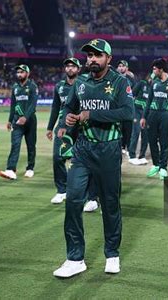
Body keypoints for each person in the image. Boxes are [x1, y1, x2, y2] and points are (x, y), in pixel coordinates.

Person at [53, 39, 134, 278]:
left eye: (97, 55)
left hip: (108, 150)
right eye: (89, 55)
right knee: (74, 200)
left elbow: (128, 112)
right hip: (83, 150)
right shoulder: (79, 82)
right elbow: (68, 107)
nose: (92, 59)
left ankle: (112, 254)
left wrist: (91, 114)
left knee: (110, 204)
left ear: (108, 59)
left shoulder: (120, 82)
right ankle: (75, 258)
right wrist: (67, 119)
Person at [46, 58, 99, 212]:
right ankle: (62, 190)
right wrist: (51, 127)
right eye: (67, 66)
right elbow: (56, 108)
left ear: (79, 68)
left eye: (73, 66)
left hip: (82, 126)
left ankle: (92, 197)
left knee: (87, 161)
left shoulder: (86, 83)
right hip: (64, 127)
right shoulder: (59, 87)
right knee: (58, 158)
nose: (69, 69)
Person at [140, 58, 168, 180]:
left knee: (164, 142)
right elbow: (148, 101)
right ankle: (156, 164)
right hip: (152, 115)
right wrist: (144, 117)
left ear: (161, 69)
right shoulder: (154, 82)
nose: (153, 71)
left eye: (154, 69)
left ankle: (163, 167)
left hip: (165, 115)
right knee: (151, 141)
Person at [0, 65, 38, 180]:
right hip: (17, 121)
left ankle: (30, 168)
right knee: (15, 144)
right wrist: (10, 120)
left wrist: (25, 117)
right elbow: (13, 105)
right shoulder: (15, 87)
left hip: (30, 121)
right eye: (18, 72)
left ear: (27, 73)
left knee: (31, 146)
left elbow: (33, 104)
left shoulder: (32, 86)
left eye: (22, 72)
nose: (19, 74)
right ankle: (11, 169)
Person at [128, 73, 152, 165]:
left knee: (145, 134)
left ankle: (142, 156)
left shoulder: (154, 88)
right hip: (137, 111)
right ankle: (132, 155)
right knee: (136, 132)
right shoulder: (142, 83)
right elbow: (131, 94)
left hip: (146, 114)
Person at [117, 60, 135, 156]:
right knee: (119, 128)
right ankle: (120, 146)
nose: (121, 68)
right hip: (117, 108)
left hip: (127, 108)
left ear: (127, 68)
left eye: (123, 66)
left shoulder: (130, 79)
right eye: (119, 66)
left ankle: (127, 147)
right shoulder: (114, 78)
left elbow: (135, 91)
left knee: (128, 129)